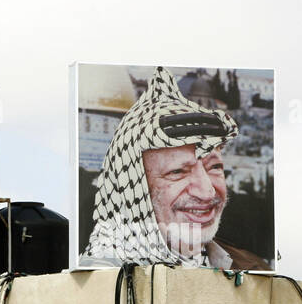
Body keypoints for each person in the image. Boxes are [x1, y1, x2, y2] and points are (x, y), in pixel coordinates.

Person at [83, 66, 269, 269]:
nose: (207, 192)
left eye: (214, 166)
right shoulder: (99, 283)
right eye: (178, 172)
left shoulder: (252, 269)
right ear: (132, 188)